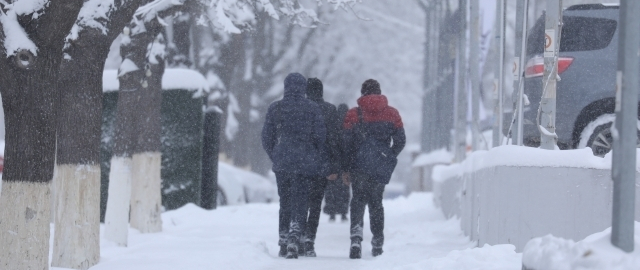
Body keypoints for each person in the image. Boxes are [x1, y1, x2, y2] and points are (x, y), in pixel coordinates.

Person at [261, 73, 336, 259]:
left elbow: (266, 137)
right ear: (303, 88)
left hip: (283, 163)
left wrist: (275, 155)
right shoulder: (311, 108)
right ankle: (295, 236)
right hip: (304, 163)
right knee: (301, 201)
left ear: (285, 87)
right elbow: (320, 136)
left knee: (285, 201)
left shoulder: (275, 108)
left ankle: (283, 239)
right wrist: (314, 154)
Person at [342, 79, 406, 259]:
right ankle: (377, 241)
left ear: (363, 93)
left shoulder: (353, 114)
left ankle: (356, 237)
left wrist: (346, 168)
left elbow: (346, 143)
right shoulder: (392, 114)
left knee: (358, 200)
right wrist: (389, 156)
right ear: (379, 92)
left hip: (359, 165)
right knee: (376, 203)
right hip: (379, 167)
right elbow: (400, 141)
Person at [301, 78, 341, 257]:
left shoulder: (300, 108)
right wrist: (334, 166)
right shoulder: (330, 110)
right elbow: (334, 140)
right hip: (320, 164)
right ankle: (310, 240)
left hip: (301, 163)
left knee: (300, 201)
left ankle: (299, 235)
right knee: (316, 204)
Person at [323, 103, 351, 222]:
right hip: (346, 163)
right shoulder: (350, 124)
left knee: (331, 189)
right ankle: (344, 213)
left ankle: (332, 213)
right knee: (345, 189)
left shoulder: (332, 124)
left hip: (333, 163)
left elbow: (329, 143)